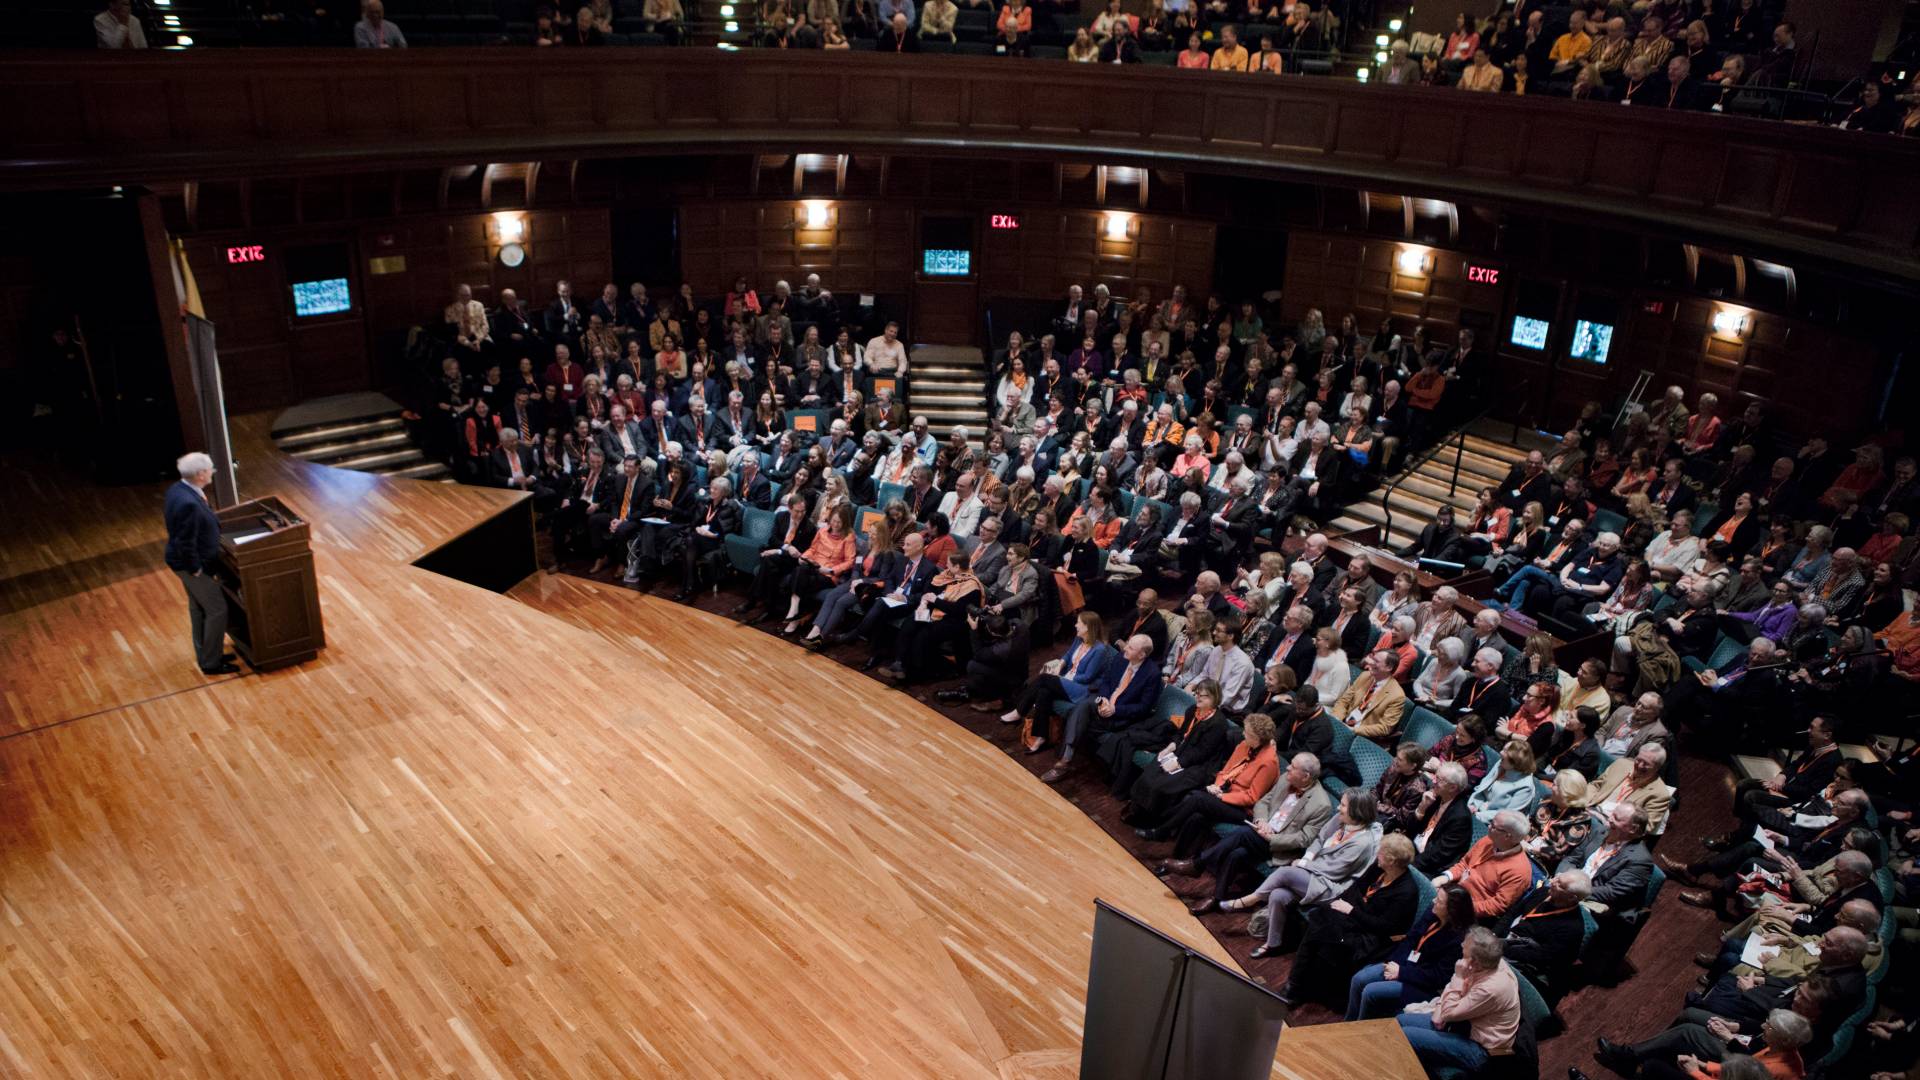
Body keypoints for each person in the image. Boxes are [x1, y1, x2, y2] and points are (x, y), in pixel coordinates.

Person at [1225, 790, 1383, 959]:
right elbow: (1320, 839)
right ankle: (1273, 943)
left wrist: (1303, 864)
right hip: (1313, 872)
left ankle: (1249, 899)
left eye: (1343, 805)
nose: (1338, 807)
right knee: (1278, 895)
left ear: (1356, 811)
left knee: (1285, 872)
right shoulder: (1341, 819)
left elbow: (1333, 870)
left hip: (1331, 886)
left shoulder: (1362, 843)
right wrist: (1307, 858)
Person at [1279, 832, 1420, 1008]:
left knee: (1327, 935)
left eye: (1381, 852)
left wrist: (1352, 911)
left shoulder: (1406, 892)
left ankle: (1299, 988)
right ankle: (1296, 985)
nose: (1378, 854)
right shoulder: (1379, 868)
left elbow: (1383, 926)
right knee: (1320, 920)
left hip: (1374, 937)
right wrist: (1342, 907)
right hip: (1356, 918)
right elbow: (1356, 890)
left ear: (1391, 861)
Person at [1395, 927, 1522, 1074]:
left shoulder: (1490, 988)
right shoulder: (1487, 963)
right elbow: (1451, 999)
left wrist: (1459, 977)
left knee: (1406, 1035)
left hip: (1481, 1049)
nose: (1461, 947)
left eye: (1464, 948)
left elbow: (1449, 1010)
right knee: (1399, 1020)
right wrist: (1441, 1009)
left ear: (1474, 962)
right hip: (1464, 1024)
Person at [1348, 881, 1477, 1019]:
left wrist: (1401, 973)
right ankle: (1348, 1021)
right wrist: (1395, 963)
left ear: (1451, 911)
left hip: (1423, 985)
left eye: (1439, 901)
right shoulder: (1433, 912)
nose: (1433, 901)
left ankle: (1359, 1029)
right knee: (1359, 979)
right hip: (1404, 964)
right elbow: (1411, 938)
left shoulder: (1459, 940)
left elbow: (1437, 977)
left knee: (1370, 991)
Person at [163, 452, 239, 676]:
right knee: (216, 609)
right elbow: (185, 541)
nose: (212, 473)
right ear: (199, 474)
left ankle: (207, 654)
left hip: (185, 563)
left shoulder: (179, 489)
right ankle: (211, 663)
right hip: (192, 567)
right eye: (210, 470)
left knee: (198, 608)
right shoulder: (190, 504)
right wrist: (196, 569)